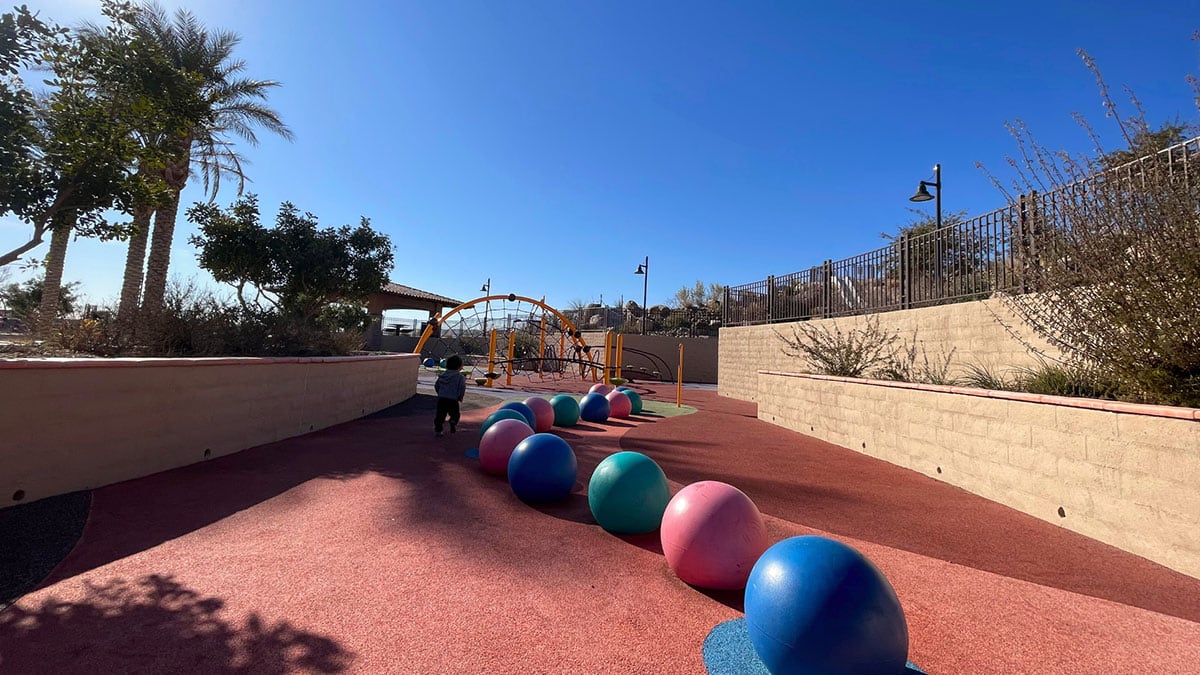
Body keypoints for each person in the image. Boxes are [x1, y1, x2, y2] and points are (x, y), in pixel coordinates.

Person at [433, 354, 466, 436]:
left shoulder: (443, 375)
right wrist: (460, 396)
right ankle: (453, 421)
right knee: (455, 414)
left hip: (442, 399)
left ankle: (438, 430)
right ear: (459, 366)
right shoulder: (460, 377)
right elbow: (462, 387)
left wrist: (440, 393)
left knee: (440, 415)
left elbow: (437, 385)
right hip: (453, 399)